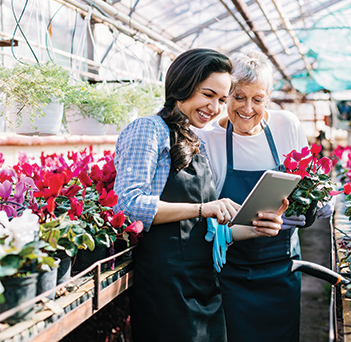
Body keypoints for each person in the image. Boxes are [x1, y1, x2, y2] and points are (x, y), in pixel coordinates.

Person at [113, 48, 286, 342]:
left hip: (204, 284)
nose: (215, 107)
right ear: (183, 86)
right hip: (166, 288)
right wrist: (203, 208)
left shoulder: (195, 141)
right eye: (209, 94)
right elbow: (129, 205)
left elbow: (210, 232)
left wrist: (256, 229)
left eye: (221, 99)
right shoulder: (149, 129)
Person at [196, 50, 334, 342]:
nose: (247, 108)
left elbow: (306, 185)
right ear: (225, 97)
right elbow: (205, 215)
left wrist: (316, 203)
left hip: (282, 267)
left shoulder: (286, 125)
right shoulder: (208, 139)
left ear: (268, 97)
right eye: (238, 97)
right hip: (232, 272)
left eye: (257, 99)